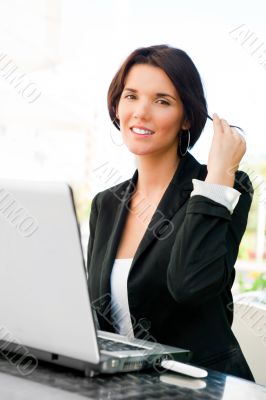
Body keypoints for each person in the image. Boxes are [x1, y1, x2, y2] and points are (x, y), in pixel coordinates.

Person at [87, 44, 254, 381]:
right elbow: (96, 318)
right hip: (127, 388)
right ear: (117, 106)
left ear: (187, 117)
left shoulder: (224, 187)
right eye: (131, 96)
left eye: (162, 101)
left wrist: (219, 175)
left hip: (205, 386)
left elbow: (190, 284)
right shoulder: (106, 203)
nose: (141, 112)